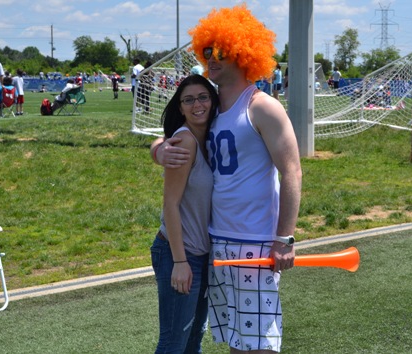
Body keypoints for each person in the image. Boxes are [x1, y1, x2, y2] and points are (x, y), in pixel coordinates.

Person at [154, 5, 302, 353]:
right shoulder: (211, 104)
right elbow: (177, 133)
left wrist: (285, 237)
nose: (211, 59)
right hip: (216, 243)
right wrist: (158, 149)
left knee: (260, 344)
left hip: (255, 243)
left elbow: (292, 170)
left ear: (242, 50)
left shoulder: (262, 106)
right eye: (207, 52)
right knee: (236, 341)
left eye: (220, 51)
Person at [149, 74, 219, 354]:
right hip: (179, 253)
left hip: (202, 256)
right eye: (188, 100)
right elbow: (170, 205)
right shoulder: (185, 142)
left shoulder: (211, 137)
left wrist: (156, 148)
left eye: (203, 97)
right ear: (180, 108)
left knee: (193, 342)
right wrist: (180, 261)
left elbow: (160, 140)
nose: (197, 105)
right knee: (173, 345)